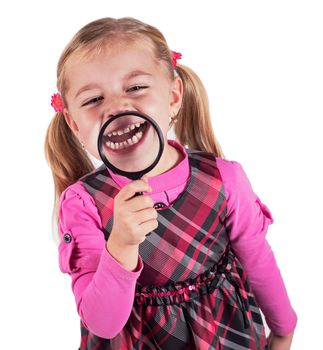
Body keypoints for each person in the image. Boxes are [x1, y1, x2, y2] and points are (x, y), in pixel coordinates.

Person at [44, 17, 297, 350]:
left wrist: (283, 330)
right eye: (93, 100)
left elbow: (258, 259)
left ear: (174, 96)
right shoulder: (83, 204)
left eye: (135, 88)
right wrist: (121, 244)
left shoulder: (224, 179)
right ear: (74, 124)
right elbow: (103, 324)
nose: (117, 108)